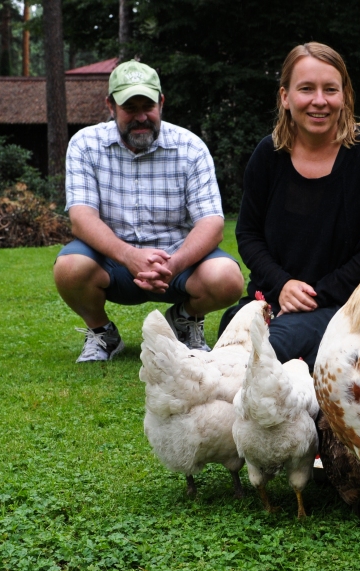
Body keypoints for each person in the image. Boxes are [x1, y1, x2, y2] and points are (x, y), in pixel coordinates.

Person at [219, 42, 360, 371]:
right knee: (233, 335)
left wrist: (316, 294)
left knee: (273, 348)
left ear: (344, 96)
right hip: (274, 298)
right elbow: (248, 233)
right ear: (285, 97)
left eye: (330, 89)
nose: (319, 100)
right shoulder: (268, 155)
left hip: (349, 304)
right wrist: (283, 285)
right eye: (306, 89)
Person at [54, 61, 244, 362]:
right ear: (111, 106)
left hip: (177, 262)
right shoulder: (85, 145)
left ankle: (183, 319)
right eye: (130, 107)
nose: (141, 116)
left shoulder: (191, 147)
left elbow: (212, 223)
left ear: (162, 103)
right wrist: (129, 256)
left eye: (148, 106)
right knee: (69, 267)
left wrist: (174, 263)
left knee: (228, 278)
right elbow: (81, 218)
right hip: (112, 261)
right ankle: (103, 332)